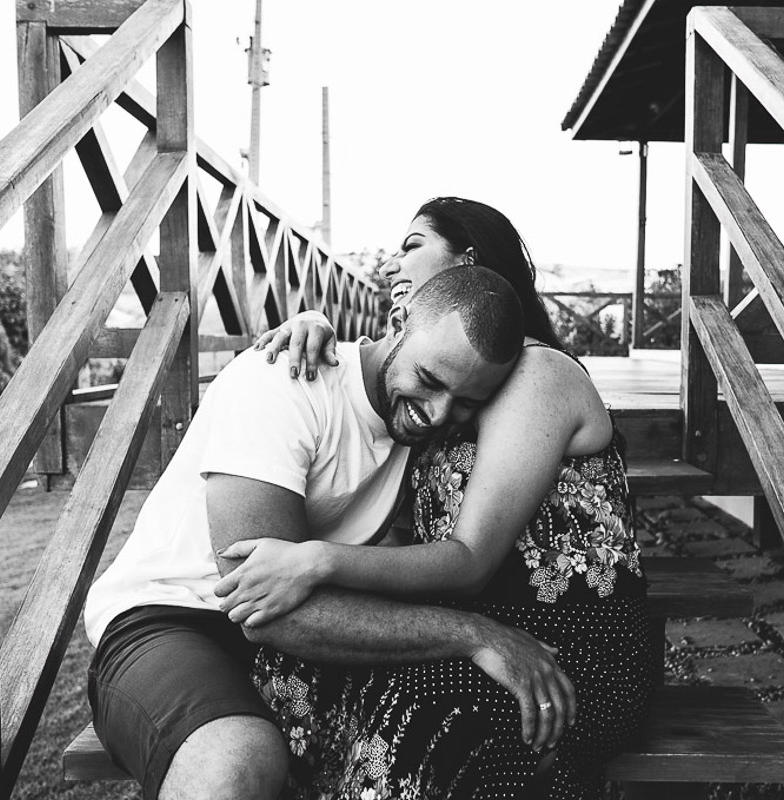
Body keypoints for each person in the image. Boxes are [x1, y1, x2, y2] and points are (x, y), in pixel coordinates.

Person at [221, 197, 657, 799]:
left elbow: (470, 558)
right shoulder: (448, 390)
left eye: (412, 245)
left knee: (421, 715)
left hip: (573, 641)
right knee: (293, 671)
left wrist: (317, 559)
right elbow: (377, 370)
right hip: (482, 626)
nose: (391, 265)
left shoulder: (536, 375)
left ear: (467, 262)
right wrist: (314, 325)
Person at [82, 266, 572, 800]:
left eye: (467, 402)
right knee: (235, 762)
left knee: (467, 736)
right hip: (173, 616)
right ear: (397, 322)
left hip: (298, 644)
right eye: (429, 381)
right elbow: (263, 607)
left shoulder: (424, 420)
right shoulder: (283, 379)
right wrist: (474, 635)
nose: (437, 414)